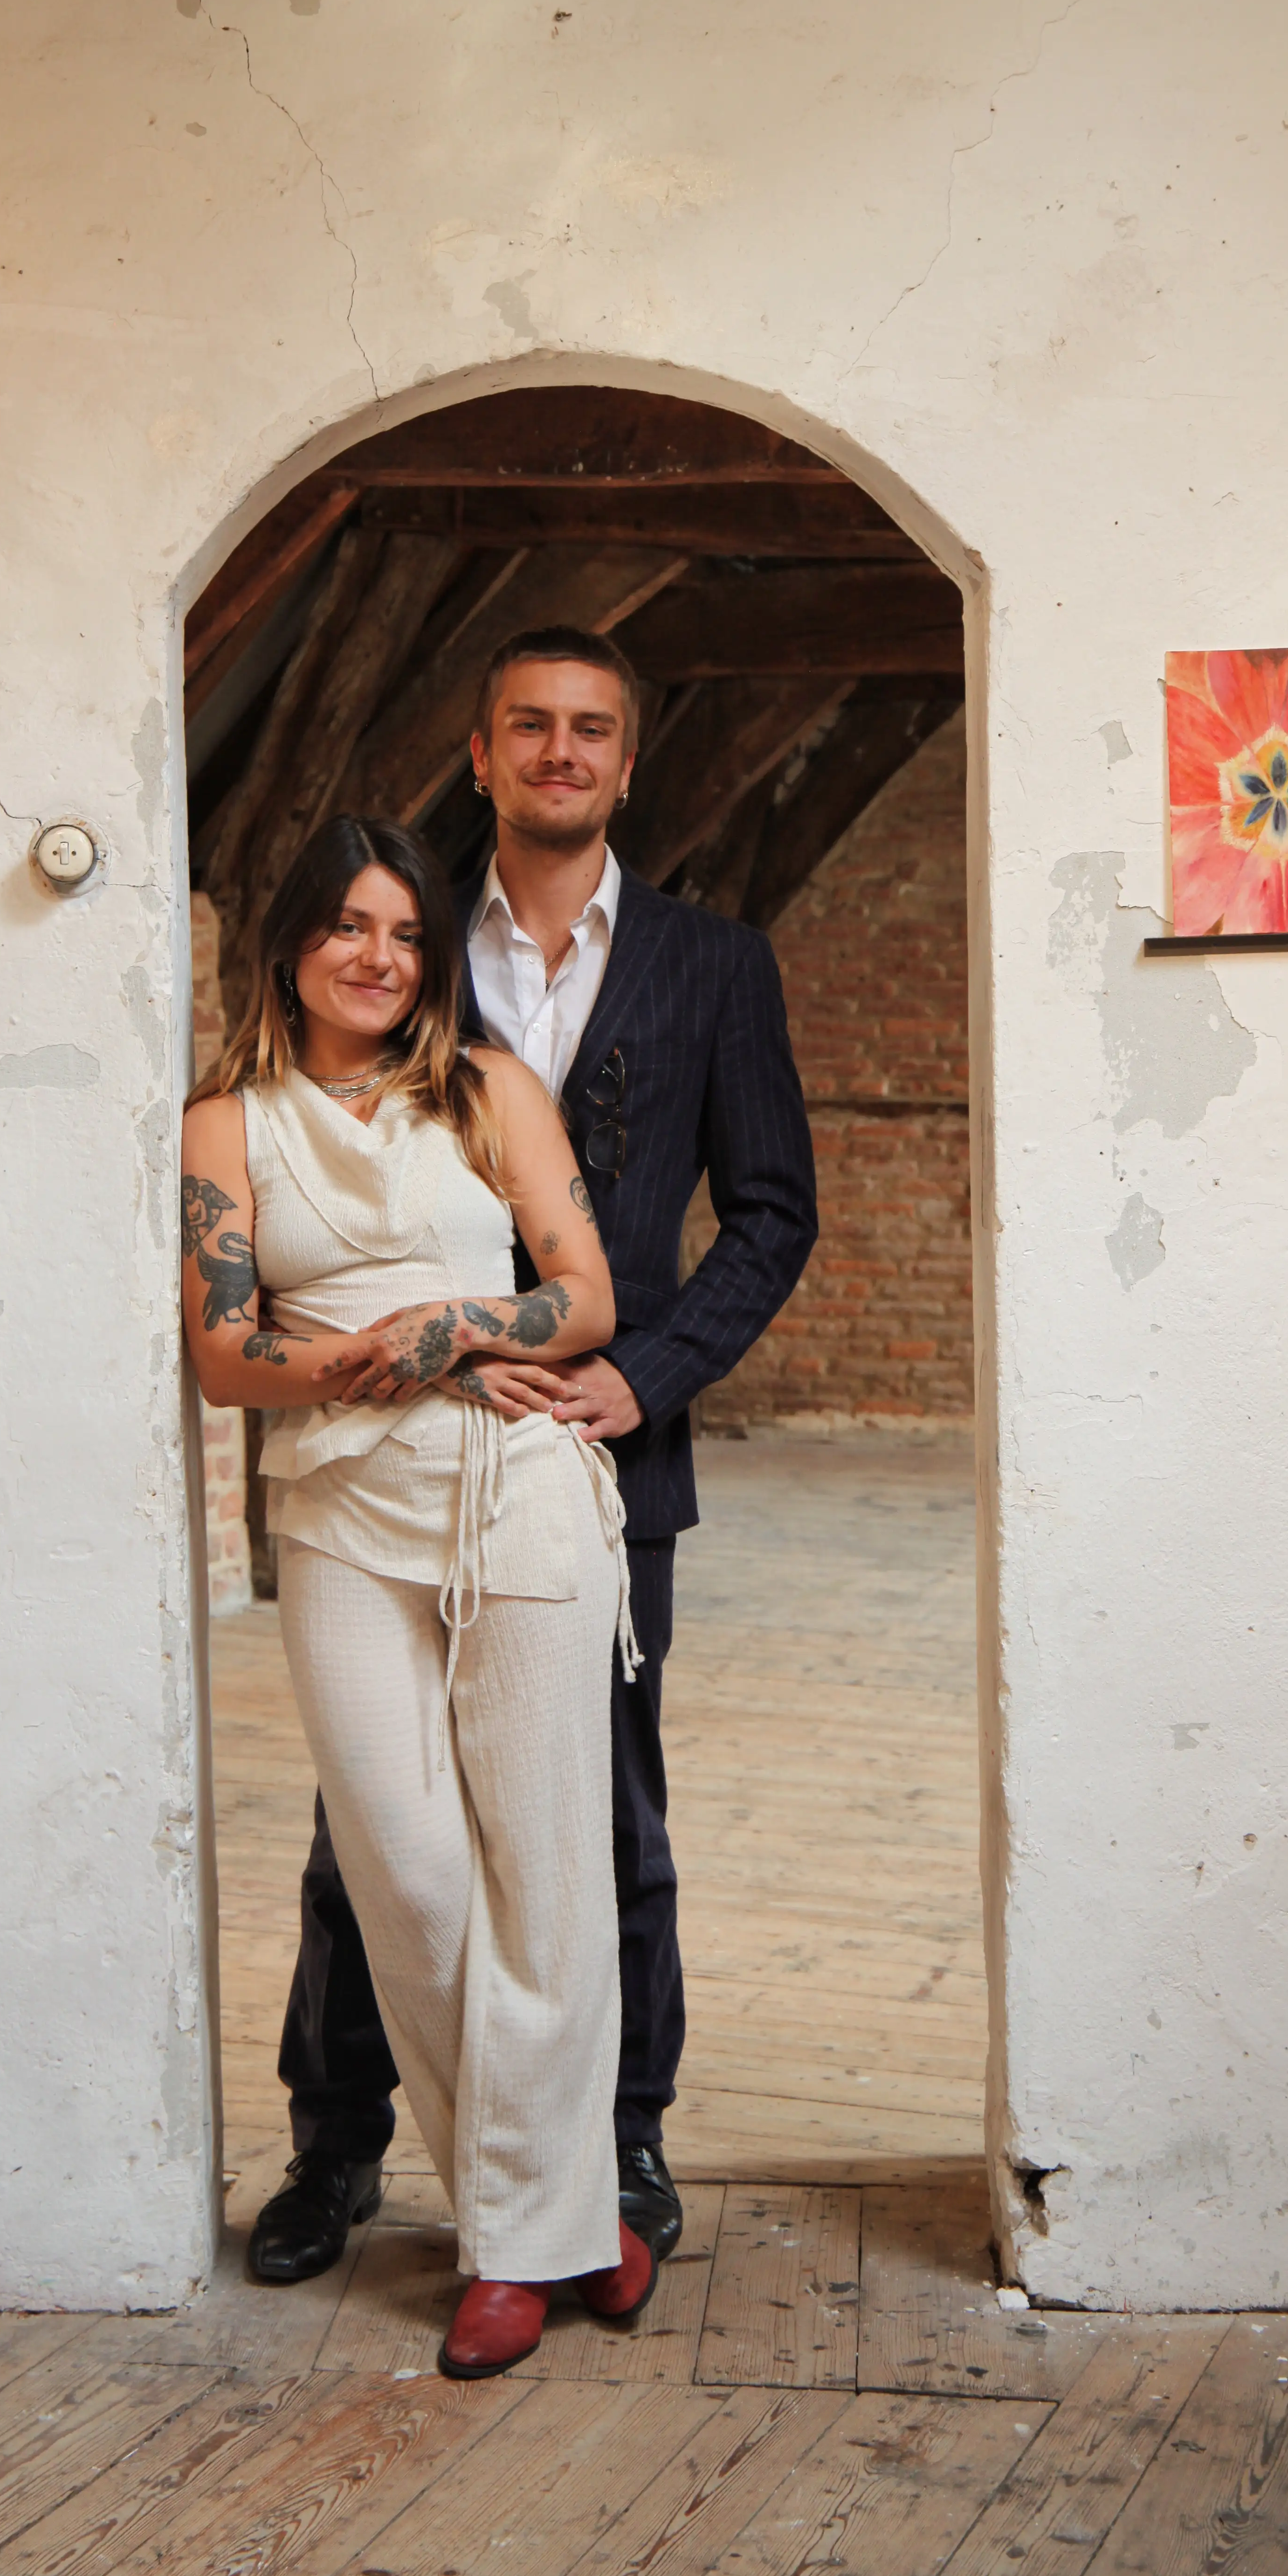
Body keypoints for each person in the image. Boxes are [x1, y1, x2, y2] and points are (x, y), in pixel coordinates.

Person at [253, 628, 819, 2284]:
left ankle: (619, 2135)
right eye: (530, 728)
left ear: (628, 765)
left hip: (603, 1455)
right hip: (383, 1457)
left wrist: (641, 1378)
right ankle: (337, 2141)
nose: (561, 753)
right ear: (483, 755)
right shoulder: (410, 953)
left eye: (593, 731)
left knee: (606, 1812)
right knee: (371, 1819)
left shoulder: (719, 966)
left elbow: (772, 1215)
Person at [183, 813, 660, 2377]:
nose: (379, 957)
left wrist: (461, 1322)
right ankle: (568, 2209)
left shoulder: (487, 1092)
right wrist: (352, 1361)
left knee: (547, 1877)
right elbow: (218, 1349)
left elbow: (585, 1295)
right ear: (293, 944)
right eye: (347, 927)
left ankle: (513, 2245)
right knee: (413, 1879)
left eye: (403, 932)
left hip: (520, 1496)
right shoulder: (227, 1124)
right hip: (337, 1512)